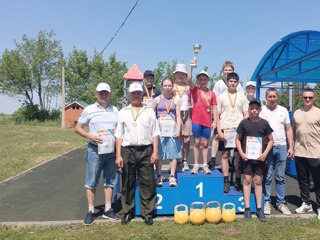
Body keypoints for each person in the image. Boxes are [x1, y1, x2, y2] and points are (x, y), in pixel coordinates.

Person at [115, 82, 160, 225]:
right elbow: (118, 135)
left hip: (146, 150)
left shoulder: (149, 111)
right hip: (128, 150)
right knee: (127, 183)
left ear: (142, 95)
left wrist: (155, 152)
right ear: (129, 95)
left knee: (147, 182)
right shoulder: (123, 112)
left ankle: (148, 213)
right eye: (133, 93)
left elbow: (155, 133)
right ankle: (127, 212)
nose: (135, 96)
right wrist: (118, 155)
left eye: (138, 93)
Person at [74, 83, 119, 225]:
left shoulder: (115, 110)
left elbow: (118, 131)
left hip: (111, 150)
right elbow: (77, 128)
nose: (103, 95)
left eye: (106, 93)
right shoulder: (89, 109)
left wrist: (118, 151)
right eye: (101, 93)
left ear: (110, 94)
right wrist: (90, 136)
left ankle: (108, 209)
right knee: (91, 181)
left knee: (110, 181)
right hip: (95, 150)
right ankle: (91, 211)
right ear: (96, 94)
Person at [236, 98, 274, 222]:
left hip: (260, 158)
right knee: (247, 180)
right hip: (246, 157)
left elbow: (271, 140)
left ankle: (259, 209)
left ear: (260, 110)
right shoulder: (243, 123)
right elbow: (237, 139)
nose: (254, 110)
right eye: (252, 108)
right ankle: (247, 208)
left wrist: (265, 153)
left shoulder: (264, 123)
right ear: (249, 109)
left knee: (258, 181)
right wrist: (241, 153)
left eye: (256, 108)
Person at [260, 88, 294, 215]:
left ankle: (281, 202)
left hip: (282, 147)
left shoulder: (283, 110)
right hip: (267, 148)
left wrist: (291, 147)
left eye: (274, 96)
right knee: (267, 176)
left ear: (277, 98)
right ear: (266, 98)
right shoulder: (261, 110)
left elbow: (289, 129)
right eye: (270, 97)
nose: (272, 99)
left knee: (280, 177)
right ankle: (266, 201)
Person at [217, 72, 249, 193]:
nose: (233, 83)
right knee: (225, 155)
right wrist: (219, 131)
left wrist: (245, 130)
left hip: (239, 131)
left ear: (237, 83)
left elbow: (246, 115)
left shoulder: (242, 97)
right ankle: (226, 180)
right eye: (231, 81)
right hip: (225, 130)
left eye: (235, 81)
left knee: (238, 157)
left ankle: (237, 179)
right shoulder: (221, 97)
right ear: (227, 82)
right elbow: (217, 115)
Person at [209, 61, 244, 169]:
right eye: (226, 70)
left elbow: (242, 97)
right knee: (217, 136)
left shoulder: (238, 85)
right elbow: (214, 97)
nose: (228, 72)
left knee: (234, 142)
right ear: (223, 71)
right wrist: (215, 118)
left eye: (230, 70)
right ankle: (213, 158)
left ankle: (232, 161)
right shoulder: (219, 83)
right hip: (222, 112)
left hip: (234, 116)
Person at [292, 88, 320, 220]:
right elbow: (293, 132)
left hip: (315, 152)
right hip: (300, 152)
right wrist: (292, 147)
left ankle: (319, 207)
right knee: (303, 181)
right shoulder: (297, 113)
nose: (307, 99)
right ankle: (306, 203)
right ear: (302, 98)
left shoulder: (319, 113)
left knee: (318, 181)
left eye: (310, 97)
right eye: (305, 97)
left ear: (313, 98)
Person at [187, 61, 217, 174]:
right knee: (196, 142)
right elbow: (189, 80)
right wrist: (191, 67)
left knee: (205, 144)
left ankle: (204, 164)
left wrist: (215, 121)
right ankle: (196, 164)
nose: (202, 81)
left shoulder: (212, 93)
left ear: (208, 81)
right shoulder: (195, 89)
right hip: (196, 121)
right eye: (200, 79)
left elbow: (214, 108)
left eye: (205, 79)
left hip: (207, 122)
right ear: (198, 80)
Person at [152, 77, 181, 187]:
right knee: (160, 153)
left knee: (173, 154)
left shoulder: (176, 99)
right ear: (162, 86)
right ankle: (159, 176)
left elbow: (178, 116)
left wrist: (178, 130)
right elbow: (151, 115)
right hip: (160, 130)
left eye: (169, 85)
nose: (167, 88)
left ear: (172, 86)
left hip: (172, 130)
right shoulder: (157, 100)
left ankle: (172, 176)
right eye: (165, 86)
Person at [173, 64, 193, 171]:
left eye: (183, 74)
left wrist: (192, 105)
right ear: (175, 74)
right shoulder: (171, 86)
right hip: (175, 115)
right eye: (178, 73)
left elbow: (192, 99)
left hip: (187, 114)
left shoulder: (188, 87)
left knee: (187, 139)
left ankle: (185, 161)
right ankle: (177, 160)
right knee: (177, 138)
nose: (180, 75)